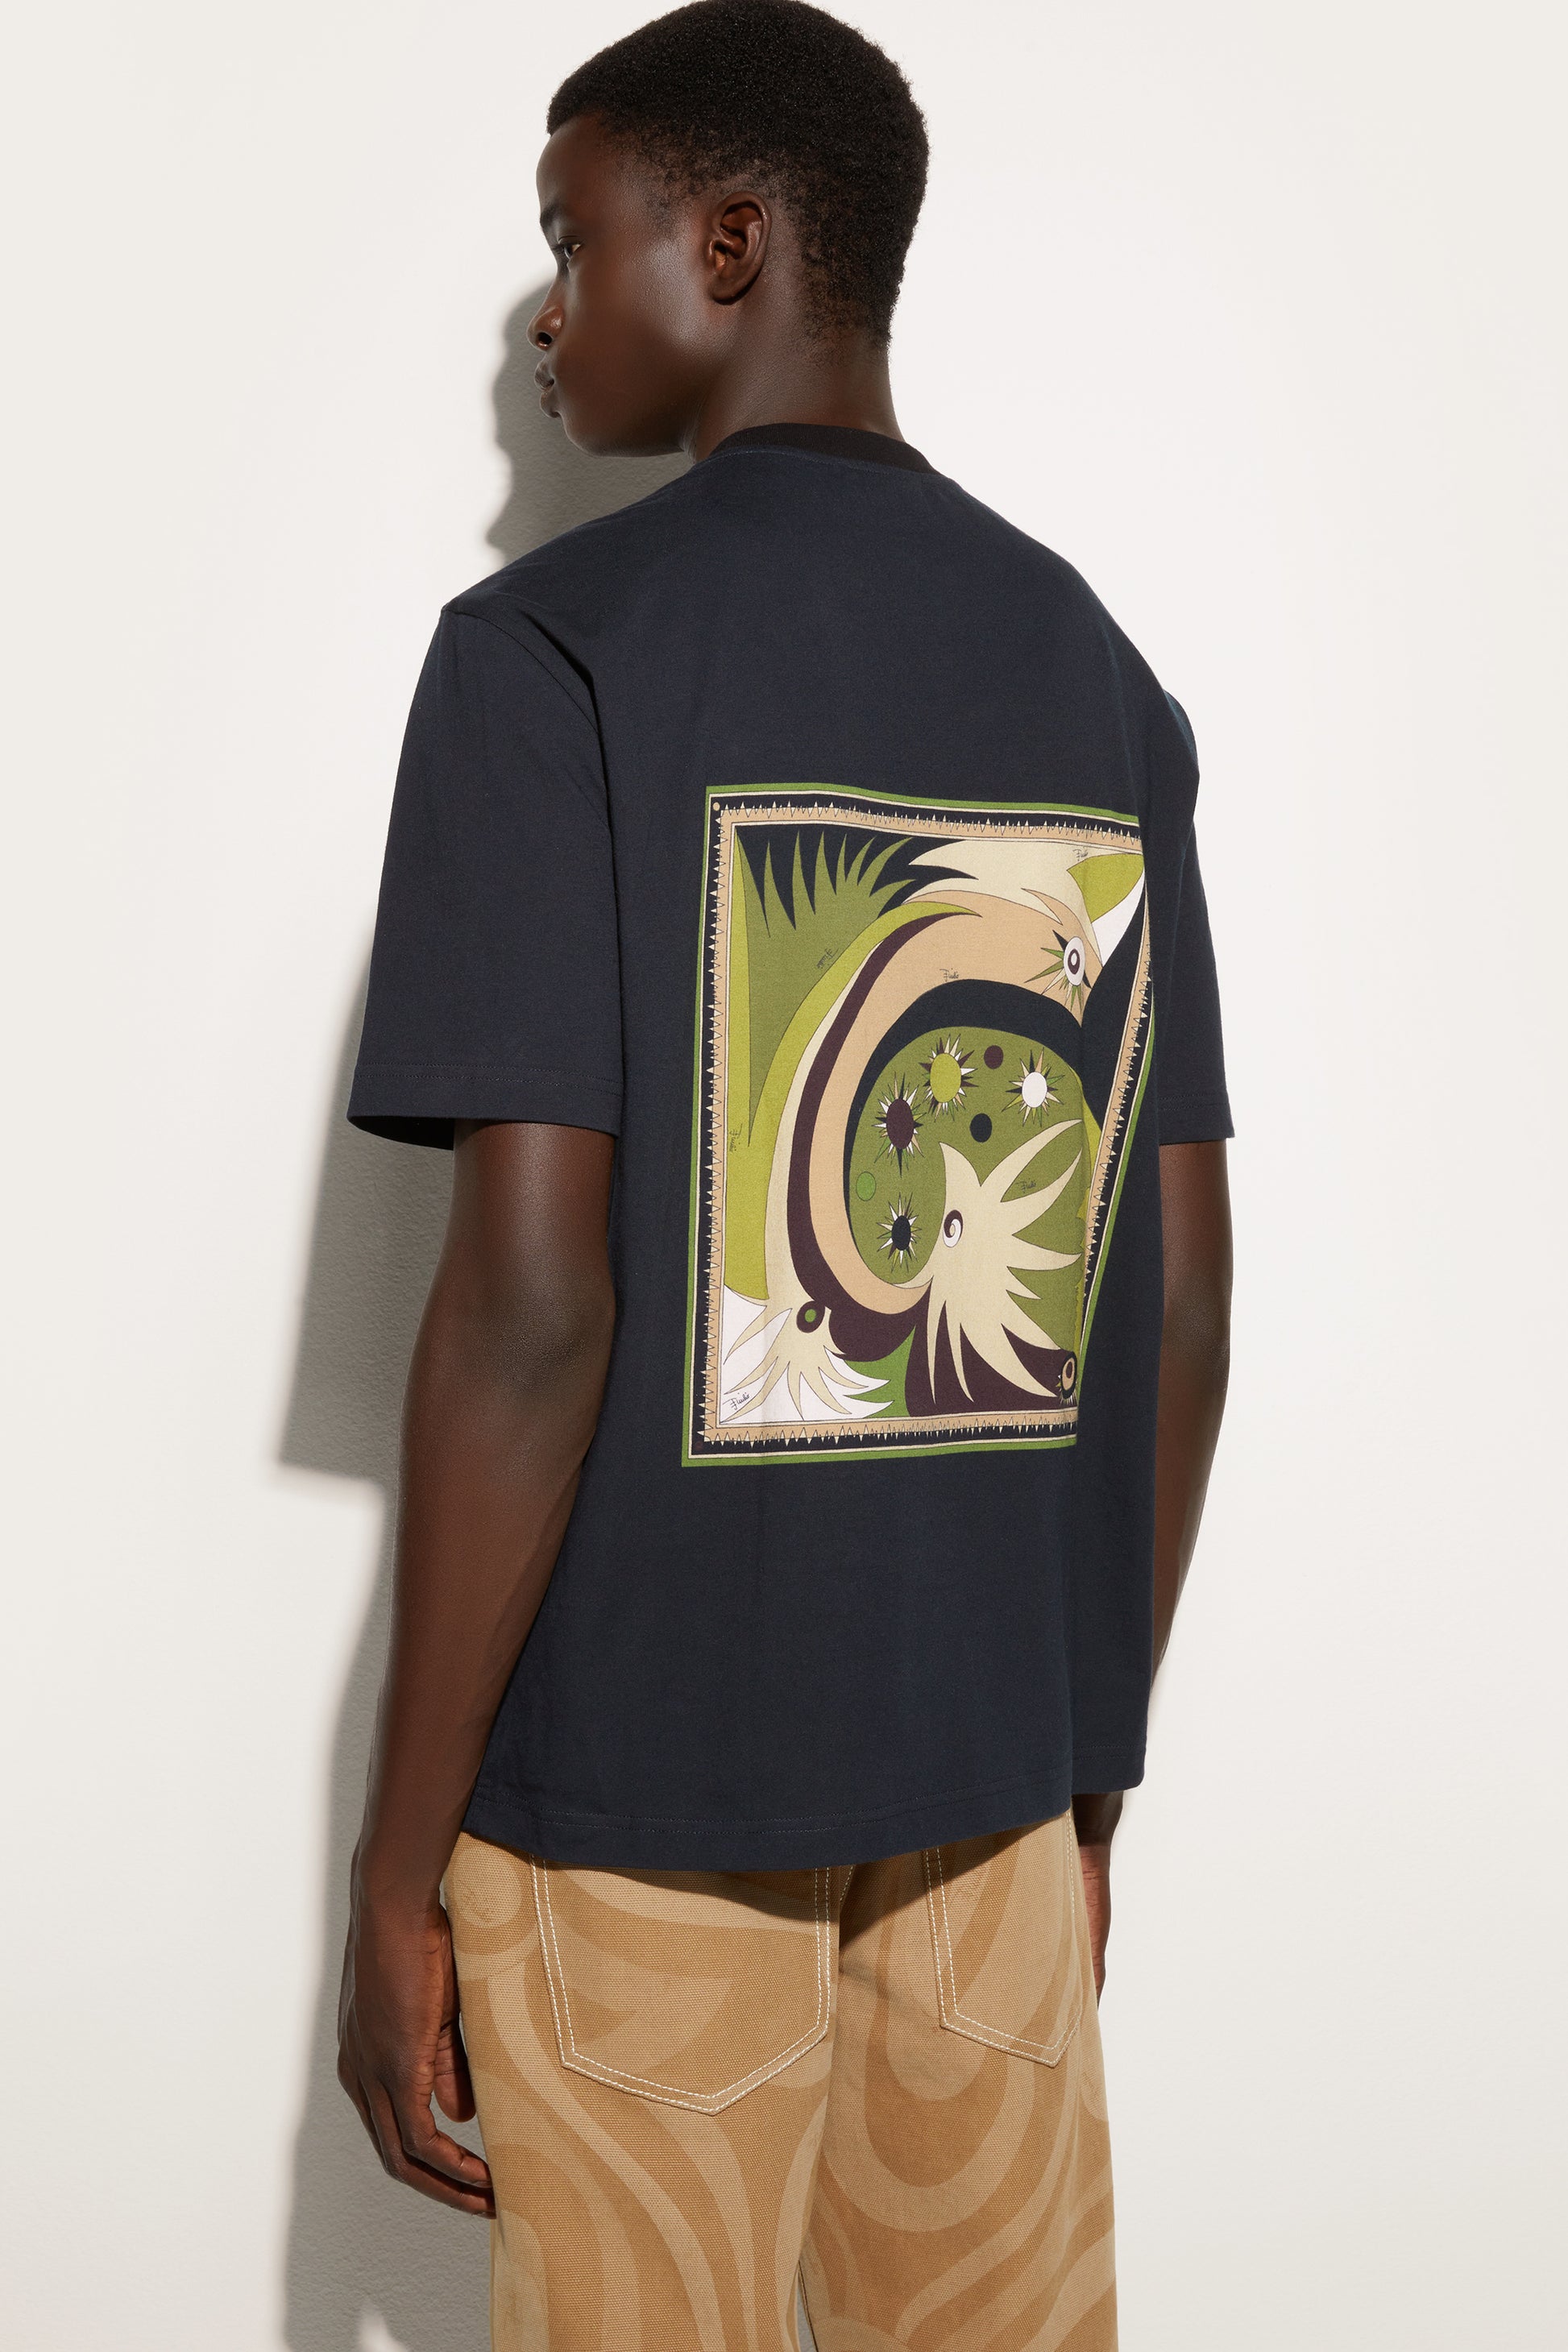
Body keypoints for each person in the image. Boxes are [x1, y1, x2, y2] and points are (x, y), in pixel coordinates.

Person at [335, 3, 1233, 2344]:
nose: (549, 317)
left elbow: (532, 1309)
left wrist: (395, 1872)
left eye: (574, 241)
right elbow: (1177, 1285)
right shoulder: (1092, 666)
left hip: (640, 1799)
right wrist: (1087, 1776)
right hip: (993, 1790)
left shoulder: (549, 656)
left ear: (727, 244)